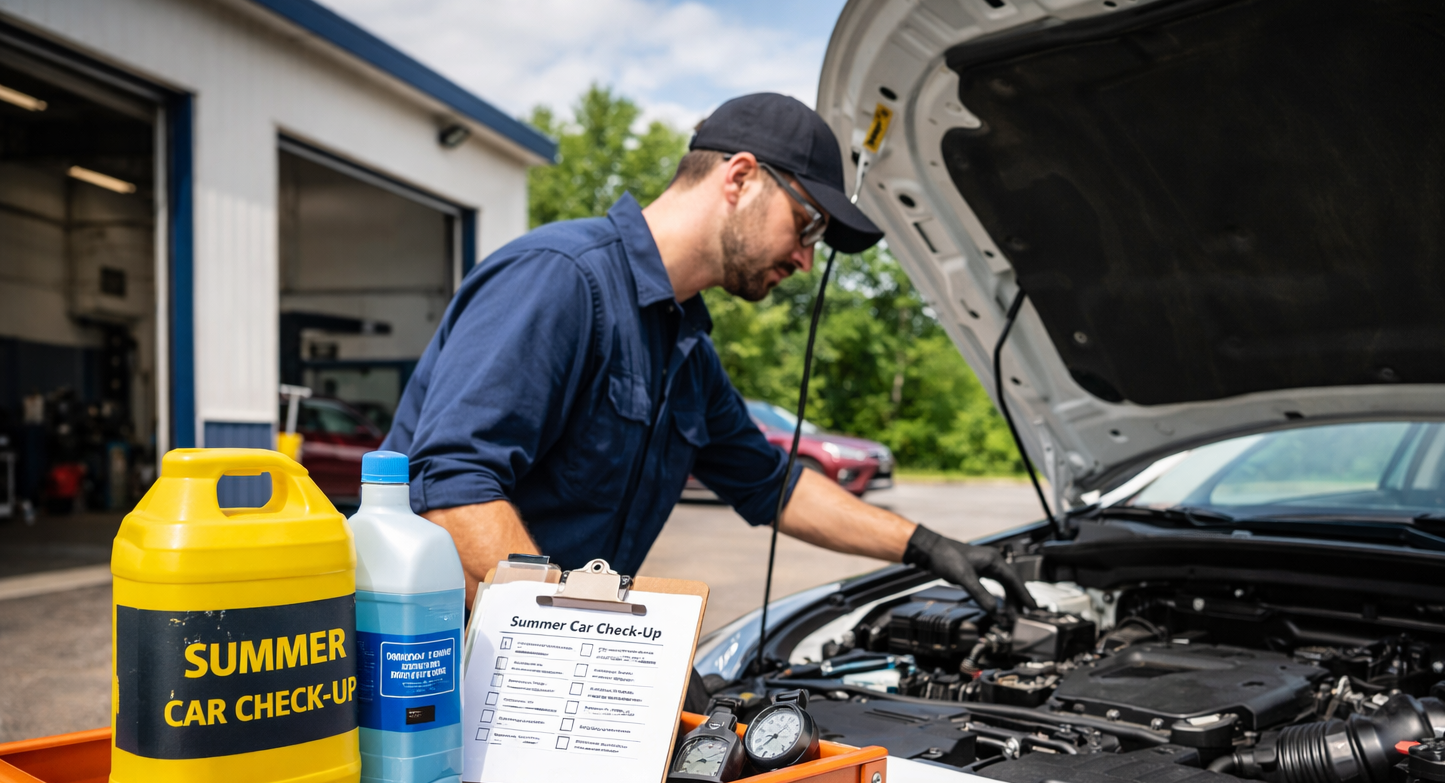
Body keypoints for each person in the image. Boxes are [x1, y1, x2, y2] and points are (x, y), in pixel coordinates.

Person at [382, 93, 1028, 615]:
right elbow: (453, 488)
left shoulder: (686, 351)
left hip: (560, 648)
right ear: (741, 177)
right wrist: (568, 631)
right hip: (452, 661)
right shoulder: (561, 277)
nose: (805, 260)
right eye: (807, 227)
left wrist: (926, 546)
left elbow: (773, 487)